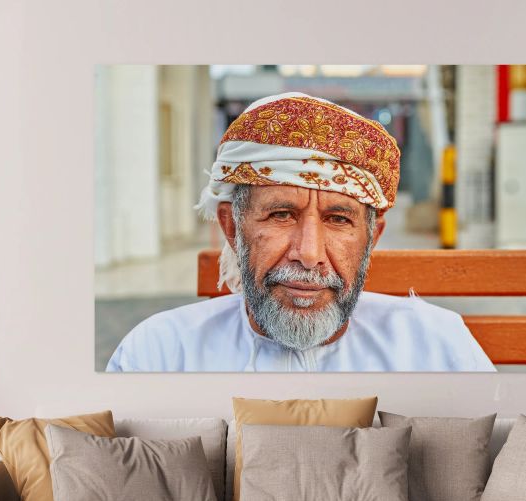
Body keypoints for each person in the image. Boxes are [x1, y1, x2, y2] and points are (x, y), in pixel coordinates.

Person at [106, 92, 496, 372]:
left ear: (371, 238)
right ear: (232, 226)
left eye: (339, 220)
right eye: (281, 215)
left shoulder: (436, 347)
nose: (309, 254)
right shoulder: (159, 354)